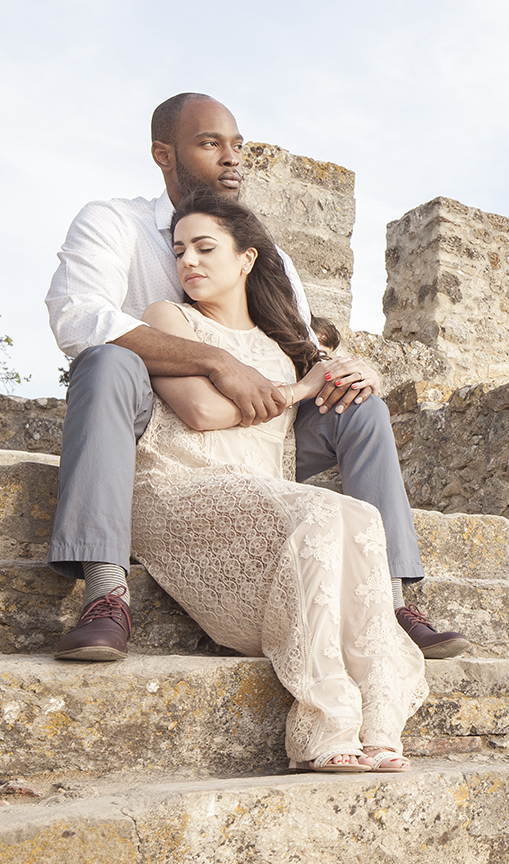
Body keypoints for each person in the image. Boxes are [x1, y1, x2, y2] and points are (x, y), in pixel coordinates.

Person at [45, 91, 467, 663]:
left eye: (238, 145)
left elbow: (301, 346)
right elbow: (78, 317)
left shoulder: (265, 251)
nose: (232, 158)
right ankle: (106, 594)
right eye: (210, 143)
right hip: (153, 422)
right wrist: (218, 361)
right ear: (163, 155)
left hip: (255, 432)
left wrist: (355, 368)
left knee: (358, 404)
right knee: (106, 358)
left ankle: (392, 600)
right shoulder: (114, 220)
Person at [132, 188, 426, 771]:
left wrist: (357, 369)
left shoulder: (279, 346)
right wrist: (302, 389)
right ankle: (325, 726)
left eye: (203, 247)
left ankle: (377, 719)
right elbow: (202, 413)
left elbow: (333, 377)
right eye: (179, 249)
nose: (187, 261)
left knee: (361, 515)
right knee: (318, 511)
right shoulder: (169, 319)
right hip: (178, 485)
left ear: (246, 259)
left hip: (260, 493)